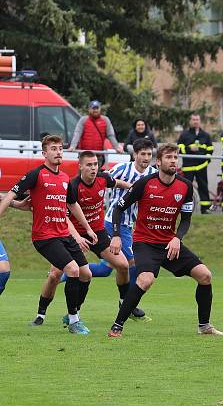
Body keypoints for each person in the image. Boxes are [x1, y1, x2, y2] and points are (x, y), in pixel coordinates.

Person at [108, 143, 223, 337]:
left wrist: (177, 238)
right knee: (145, 280)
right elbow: (119, 208)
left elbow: (186, 219)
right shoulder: (145, 183)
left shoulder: (185, 186)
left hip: (169, 244)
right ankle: (117, 325)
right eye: (169, 157)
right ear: (159, 161)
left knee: (205, 276)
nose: (173, 161)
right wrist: (117, 235)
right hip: (145, 242)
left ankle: (204, 326)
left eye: (175, 157)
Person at [0, 135, 97, 334]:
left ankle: (71, 313)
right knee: (72, 270)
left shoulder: (64, 178)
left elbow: (72, 204)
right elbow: (11, 194)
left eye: (60, 148)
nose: (58, 152)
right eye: (53, 149)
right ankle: (73, 321)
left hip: (63, 234)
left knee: (86, 274)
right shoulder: (36, 174)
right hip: (44, 237)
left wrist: (87, 229)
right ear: (44, 153)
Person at [30, 151, 132, 326]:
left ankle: (123, 304)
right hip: (69, 234)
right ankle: (41, 314)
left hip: (97, 233)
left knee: (123, 265)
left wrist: (134, 188)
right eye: (89, 165)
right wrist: (77, 237)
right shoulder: (73, 185)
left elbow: (117, 183)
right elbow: (64, 215)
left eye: (95, 164)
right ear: (81, 166)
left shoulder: (103, 179)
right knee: (55, 274)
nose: (93, 168)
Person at [98, 138, 158, 320]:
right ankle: (128, 304)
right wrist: (123, 184)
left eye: (149, 154)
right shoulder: (123, 169)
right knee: (133, 263)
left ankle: (69, 273)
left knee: (107, 268)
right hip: (113, 223)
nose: (146, 157)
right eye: (143, 154)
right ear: (135, 155)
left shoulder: (153, 174)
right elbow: (102, 177)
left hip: (130, 226)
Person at [68, 100, 124, 166]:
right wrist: (73, 146)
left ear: (100, 109)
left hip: (98, 155)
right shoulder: (83, 120)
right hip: (84, 155)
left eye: (97, 108)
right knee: (83, 174)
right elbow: (77, 134)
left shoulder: (105, 120)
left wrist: (117, 147)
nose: (95, 110)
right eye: (93, 108)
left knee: (96, 174)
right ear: (89, 109)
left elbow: (111, 135)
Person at [177, 114, 214, 213]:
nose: (195, 121)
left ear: (200, 121)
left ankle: (205, 208)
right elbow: (179, 149)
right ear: (190, 121)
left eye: (197, 119)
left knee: (203, 186)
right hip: (188, 166)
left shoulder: (206, 135)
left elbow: (210, 150)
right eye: (193, 119)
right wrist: (189, 148)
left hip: (201, 166)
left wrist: (206, 162)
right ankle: (185, 208)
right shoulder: (184, 135)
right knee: (186, 187)